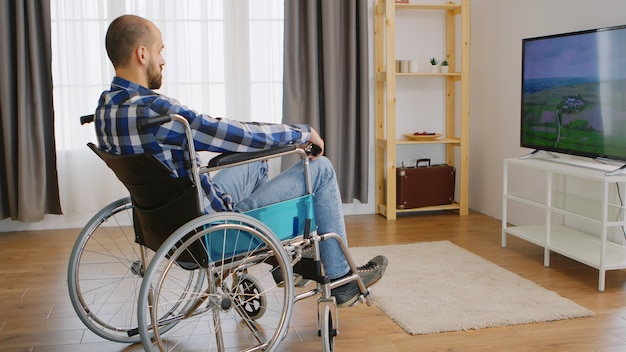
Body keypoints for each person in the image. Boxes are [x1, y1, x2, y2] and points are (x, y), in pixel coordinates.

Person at [95, 14, 386, 307]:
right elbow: (228, 133)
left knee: (253, 161)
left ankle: (280, 258)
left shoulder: (106, 109)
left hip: (164, 229)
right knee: (320, 168)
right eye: (160, 50)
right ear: (141, 53)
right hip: (215, 233)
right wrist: (301, 132)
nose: (163, 60)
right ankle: (340, 279)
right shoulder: (156, 111)